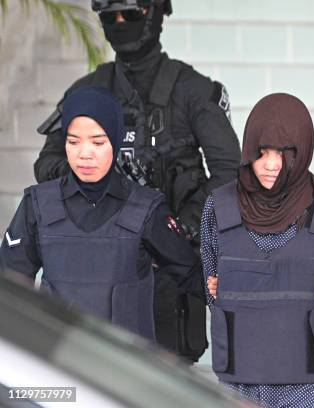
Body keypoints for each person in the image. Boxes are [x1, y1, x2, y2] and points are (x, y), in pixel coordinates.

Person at [33, 0, 241, 359]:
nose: (120, 22)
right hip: (93, 271)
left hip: (166, 277)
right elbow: (47, 163)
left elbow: (230, 174)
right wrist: (97, 177)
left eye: (131, 13)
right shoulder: (87, 90)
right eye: (109, 15)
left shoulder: (192, 90)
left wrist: (179, 228)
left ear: (157, 13)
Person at [202, 93, 314, 408]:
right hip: (242, 380)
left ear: (303, 151)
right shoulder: (219, 207)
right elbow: (215, 292)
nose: (271, 165)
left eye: (284, 153)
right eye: (262, 152)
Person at [0, 86, 203, 341]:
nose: (84, 153)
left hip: (125, 370)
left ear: (116, 140)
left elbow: (193, 276)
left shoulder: (146, 207)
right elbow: (10, 289)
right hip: (56, 365)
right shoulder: (37, 204)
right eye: (73, 142)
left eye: (97, 142)